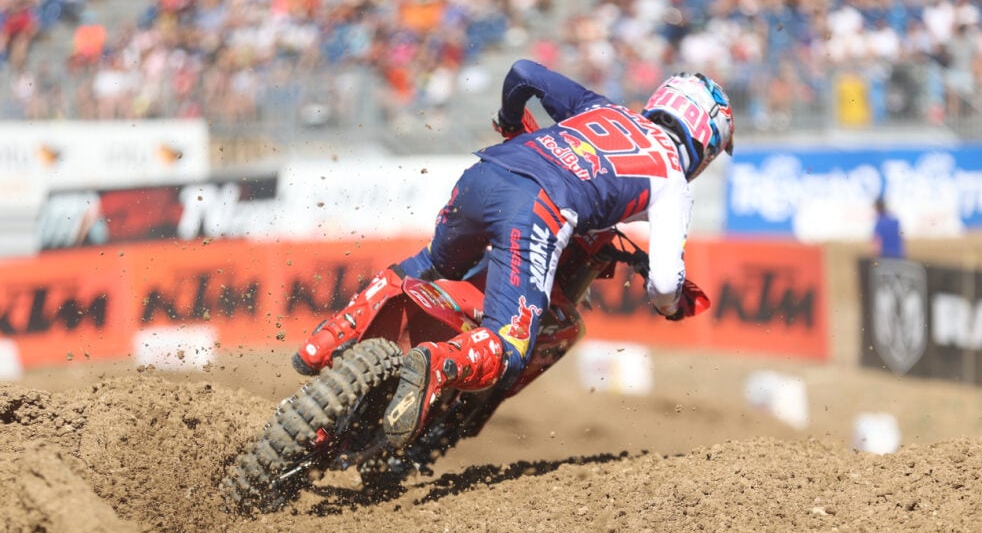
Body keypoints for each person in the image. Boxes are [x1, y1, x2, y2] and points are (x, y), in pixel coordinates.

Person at [293, 60, 735, 447]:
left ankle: (327, 339)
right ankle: (439, 364)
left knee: (433, 263)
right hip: (534, 211)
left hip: (486, 172)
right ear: (705, 144)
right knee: (510, 345)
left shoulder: (606, 110)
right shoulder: (673, 181)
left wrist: (509, 121)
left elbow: (523, 72)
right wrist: (671, 306)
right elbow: (662, 282)